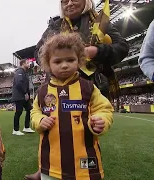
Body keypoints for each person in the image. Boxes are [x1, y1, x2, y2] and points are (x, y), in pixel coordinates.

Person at [26, 0, 128, 178]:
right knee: (52, 124)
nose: (69, 3)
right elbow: (38, 52)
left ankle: (87, 167)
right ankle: (46, 167)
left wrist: (97, 51)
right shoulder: (55, 25)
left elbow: (122, 47)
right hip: (56, 86)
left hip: (88, 83)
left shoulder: (99, 22)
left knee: (85, 129)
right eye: (64, 1)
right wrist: (53, 53)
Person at [31, 33, 113, 180]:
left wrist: (101, 119)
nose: (64, 65)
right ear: (48, 64)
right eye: (57, 61)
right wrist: (39, 120)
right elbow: (35, 112)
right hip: (51, 162)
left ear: (79, 60)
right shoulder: (42, 91)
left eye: (70, 60)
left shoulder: (88, 87)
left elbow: (104, 108)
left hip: (85, 159)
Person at [11, 59, 35, 135]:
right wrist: (25, 93)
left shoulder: (24, 72)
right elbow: (18, 84)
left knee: (29, 110)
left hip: (24, 96)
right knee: (19, 111)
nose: (29, 64)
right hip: (19, 95)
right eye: (27, 63)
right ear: (23, 64)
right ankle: (15, 130)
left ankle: (26, 127)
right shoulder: (19, 72)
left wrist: (27, 93)